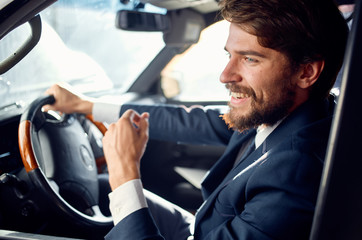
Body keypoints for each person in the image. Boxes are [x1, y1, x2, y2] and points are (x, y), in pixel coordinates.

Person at [44, 0, 349, 239]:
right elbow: (197, 121)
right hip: (199, 227)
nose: (225, 75)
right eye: (229, 55)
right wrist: (86, 105)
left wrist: (124, 174)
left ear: (306, 72)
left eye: (250, 58)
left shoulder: (296, 176)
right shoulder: (283, 113)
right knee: (99, 188)